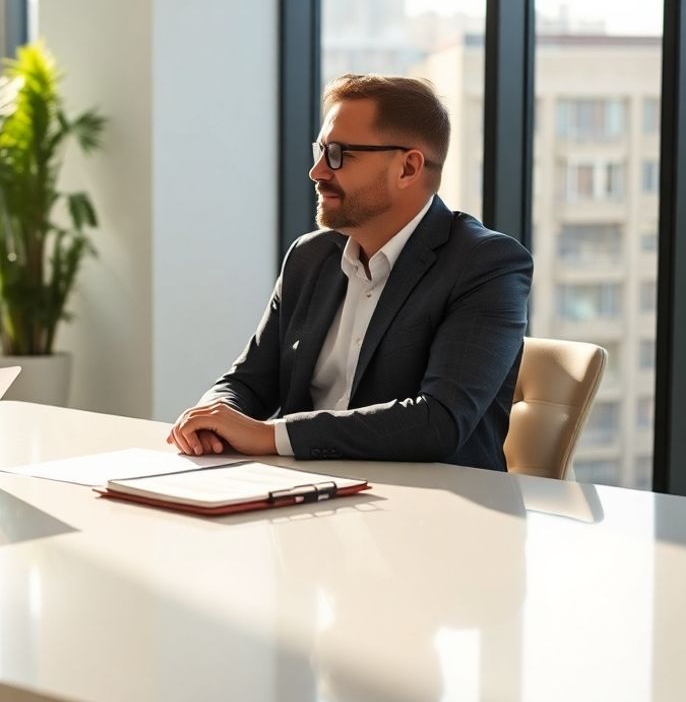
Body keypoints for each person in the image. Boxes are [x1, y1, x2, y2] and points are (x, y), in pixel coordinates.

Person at [169, 74, 532, 470]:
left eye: (339, 154)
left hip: (428, 501)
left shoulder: (486, 264)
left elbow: (440, 421)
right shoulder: (309, 256)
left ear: (408, 168)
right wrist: (213, 417)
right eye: (320, 151)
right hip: (304, 489)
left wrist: (271, 435)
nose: (317, 172)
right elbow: (249, 380)